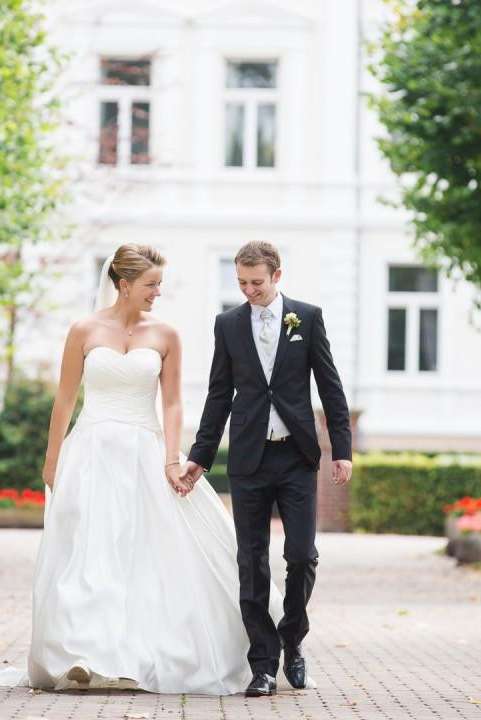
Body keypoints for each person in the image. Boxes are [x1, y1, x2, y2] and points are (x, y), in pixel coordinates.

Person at [0, 243, 281, 694]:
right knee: (89, 555)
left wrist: (172, 457)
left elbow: (174, 401)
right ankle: (82, 654)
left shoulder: (166, 335)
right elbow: (64, 400)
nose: (158, 292)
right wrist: (52, 459)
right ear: (123, 284)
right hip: (92, 452)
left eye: (160, 283)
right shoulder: (83, 330)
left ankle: (135, 654)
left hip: (144, 449)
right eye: (151, 284)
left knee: (142, 556)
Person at [180, 240, 353, 698]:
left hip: (297, 457)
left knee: (301, 555)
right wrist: (199, 456)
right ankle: (262, 665)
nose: (248, 290)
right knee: (251, 562)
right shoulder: (228, 325)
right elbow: (219, 394)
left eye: (256, 282)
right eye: (241, 282)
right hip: (250, 458)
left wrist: (342, 449)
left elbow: (331, 388)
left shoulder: (307, 318)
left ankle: (292, 639)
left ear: (278, 276)